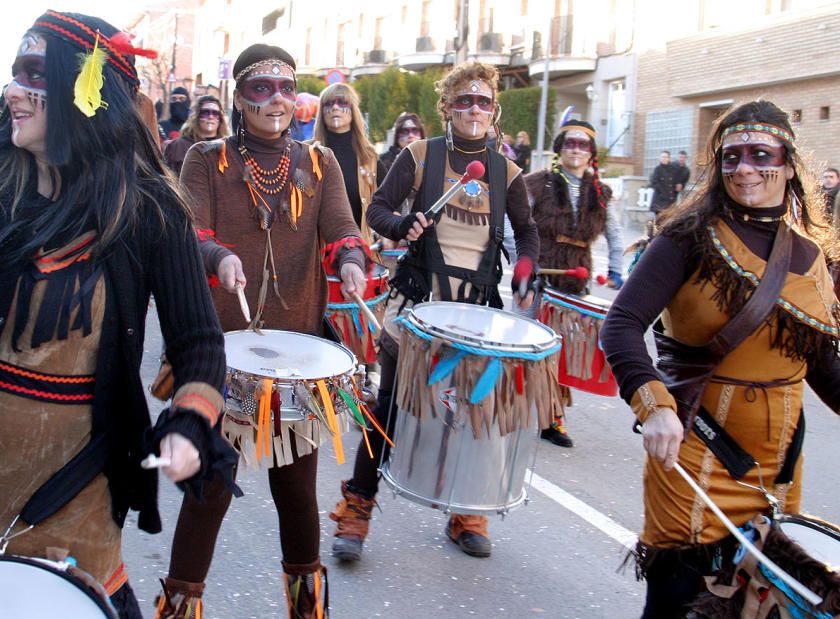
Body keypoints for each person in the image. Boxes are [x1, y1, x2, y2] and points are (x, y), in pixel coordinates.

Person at [0, 10, 230, 619]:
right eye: (14, 73)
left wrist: (189, 425)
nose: (11, 92)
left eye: (35, 76)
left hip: (78, 494)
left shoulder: (149, 208)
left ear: (86, 95)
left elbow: (200, 346)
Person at [600, 100, 840, 618]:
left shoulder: (812, 257)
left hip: (778, 466)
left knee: (751, 607)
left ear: (788, 163)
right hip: (695, 450)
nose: (745, 168)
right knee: (677, 603)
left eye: (760, 155)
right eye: (731, 158)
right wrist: (654, 405)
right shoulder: (686, 239)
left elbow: (820, 363)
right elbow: (620, 326)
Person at [161, 43, 367, 618]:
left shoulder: (321, 163)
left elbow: (345, 232)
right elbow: (190, 230)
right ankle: (177, 611)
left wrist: (351, 262)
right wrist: (217, 257)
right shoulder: (205, 159)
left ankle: (308, 612)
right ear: (239, 98)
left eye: (285, 88)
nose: (275, 99)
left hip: (299, 359)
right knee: (209, 493)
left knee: (298, 496)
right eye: (260, 88)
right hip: (220, 358)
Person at [329, 60, 539, 561]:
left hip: (475, 314)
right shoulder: (419, 156)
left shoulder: (505, 171)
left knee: (474, 413)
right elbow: (377, 210)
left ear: (494, 111)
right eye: (463, 100)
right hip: (416, 310)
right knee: (388, 413)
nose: (474, 109)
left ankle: (465, 510)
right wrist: (403, 226)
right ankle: (356, 511)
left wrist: (527, 266)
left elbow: (526, 231)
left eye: (483, 101)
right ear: (447, 107)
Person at [524, 119, 624, 447]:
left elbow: (613, 233)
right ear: (560, 149)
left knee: (563, 349)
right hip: (541, 274)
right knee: (534, 346)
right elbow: (517, 225)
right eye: (570, 144)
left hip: (576, 277)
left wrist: (616, 268)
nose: (576, 150)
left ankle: (551, 416)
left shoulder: (601, 193)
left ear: (591, 153)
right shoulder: (537, 184)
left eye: (583, 145)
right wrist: (524, 262)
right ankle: (527, 411)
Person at [313, 82, 381, 249]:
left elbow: (386, 204)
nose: (335, 108)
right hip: (318, 255)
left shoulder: (369, 157)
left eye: (342, 103)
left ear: (353, 111)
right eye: (328, 104)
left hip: (361, 251)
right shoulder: (306, 153)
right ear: (322, 112)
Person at [162, 94, 227, 176]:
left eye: (215, 113)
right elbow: (167, 179)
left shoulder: (227, 148)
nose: (210, 117)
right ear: (197, 116)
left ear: (220, 118)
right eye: (205, 112)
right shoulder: (178, 146)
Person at [378, 112, 425, 179]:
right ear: (397, 135)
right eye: (405, 131)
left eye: (415, 131)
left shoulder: (430, 159)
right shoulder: (383, 161)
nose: (410, 135)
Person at [649, 150, 689, 216]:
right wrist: (662, 193)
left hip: (670, 200)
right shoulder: (657, 169)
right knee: (659, 220)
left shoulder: (673, 169)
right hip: (660, 200)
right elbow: (654, 182)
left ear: (669, 158)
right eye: (663, 157)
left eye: (666, 157)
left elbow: (679, 180)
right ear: (660, 158)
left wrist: (680, 185)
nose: (664, 159)